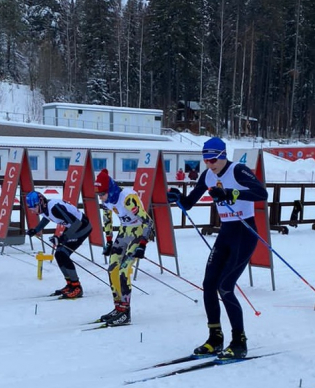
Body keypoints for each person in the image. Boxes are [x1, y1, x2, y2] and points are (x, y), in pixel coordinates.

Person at [167, 137, 268, 359]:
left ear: (222, 156)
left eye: (213, 159)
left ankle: (239, 342)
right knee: (208, 284)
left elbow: (262, 193)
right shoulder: (208, 175)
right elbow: (190, 202)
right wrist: (177, 198)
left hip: (244, 232)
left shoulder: (238, 170)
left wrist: (233, 193)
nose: (210, 164)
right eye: (206, 160)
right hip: (226, 233)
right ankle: (215, 339)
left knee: (226, 286)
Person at [95, 168, 154, 326]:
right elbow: (107, 220)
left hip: (138, 232)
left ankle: (126, 312)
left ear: (110, 189)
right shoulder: (107, 201)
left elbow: (148, 222)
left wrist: (142, 244)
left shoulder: (127, 198)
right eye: (98, 195)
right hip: (124, 232)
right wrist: (108, 241)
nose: (100, 198)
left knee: (124, 270)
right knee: (112, 268)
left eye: (102, 194)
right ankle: (118, 307)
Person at [25, 191, 92, 299]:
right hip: (73, 228)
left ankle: (76, 287)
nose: (33, 211)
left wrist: (63, 237)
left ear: (41, 202)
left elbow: (76, 223)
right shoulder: (44, 208)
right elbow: (47, 217)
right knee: (58, 254)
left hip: (82, 227)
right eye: (30, 208)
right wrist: (36, 230)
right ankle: (70, 284)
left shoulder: (54, 208)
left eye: (34, 207)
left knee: (63, 253)